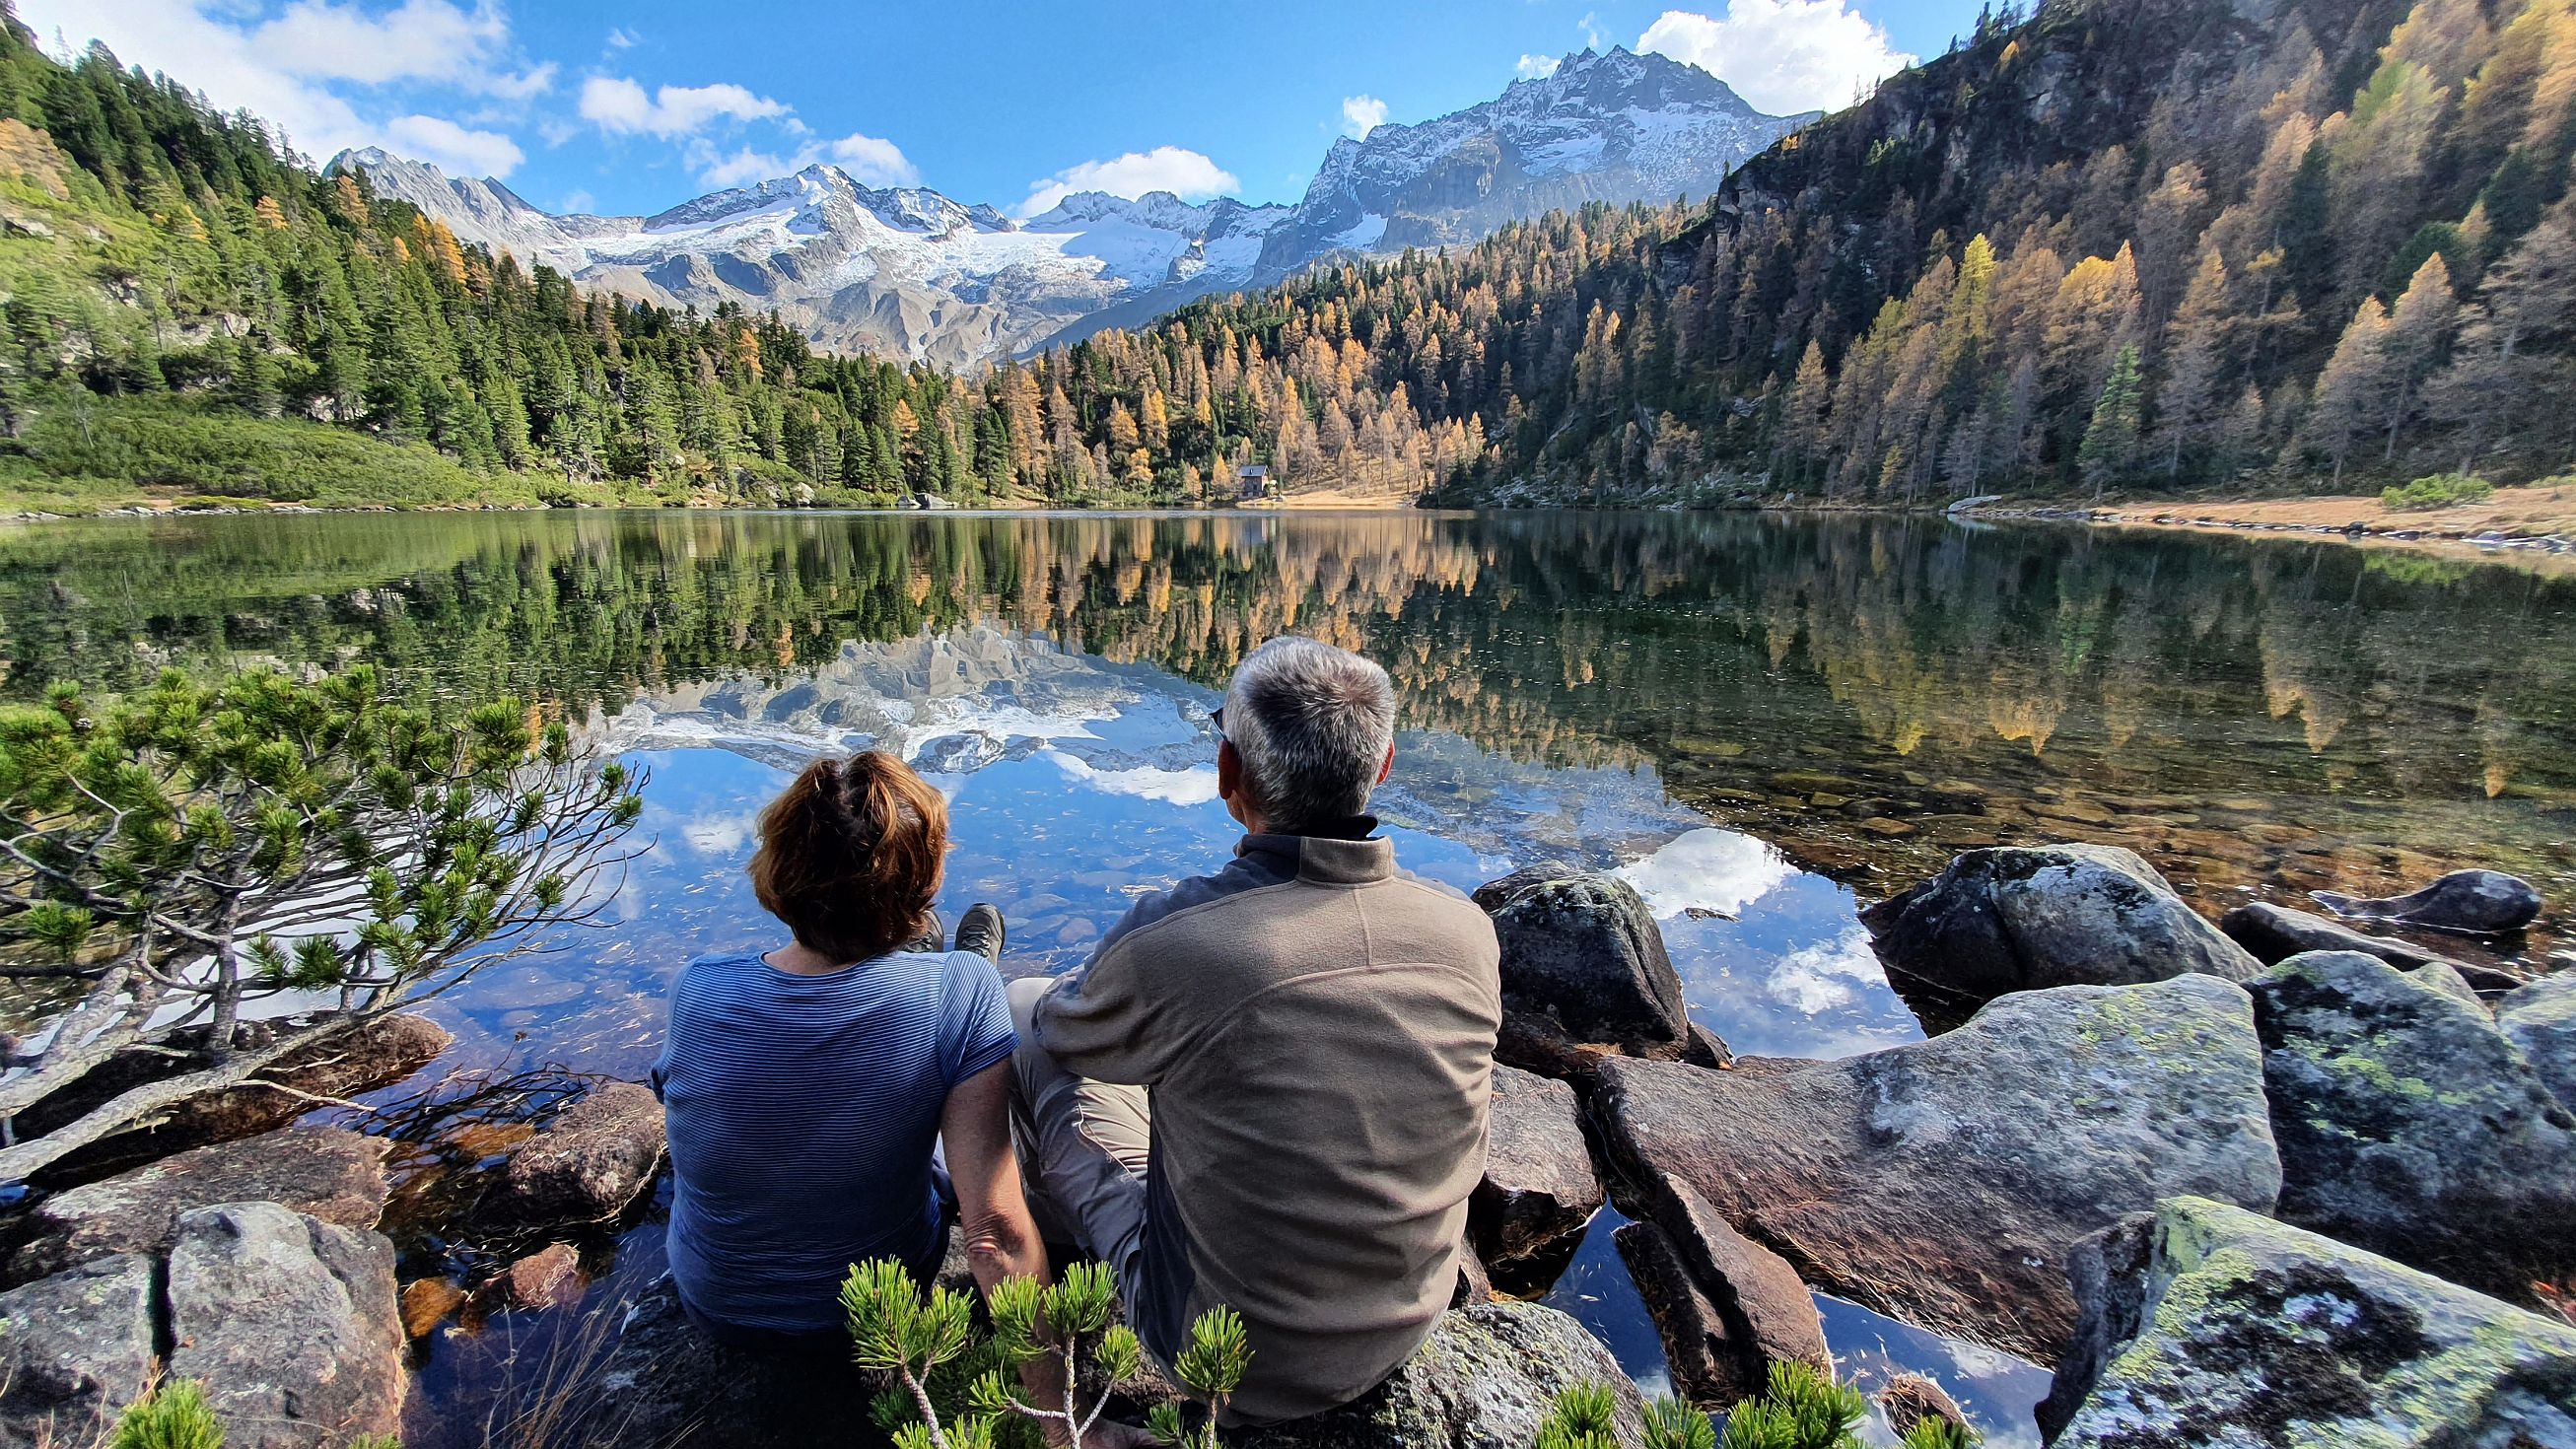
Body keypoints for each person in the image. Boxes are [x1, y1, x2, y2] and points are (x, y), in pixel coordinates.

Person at [1008, 637, 1504, 1427]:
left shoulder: (1182, 940)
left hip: (1225, 1358)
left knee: (1024, 1017)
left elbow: (1065, 1035)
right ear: (1382, 767)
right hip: (1406, 1322)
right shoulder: (1465, 931)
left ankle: (1040, 1266)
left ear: (1227, 775)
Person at [652, 750, 1040, 1349]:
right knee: (949, 1083)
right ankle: (936, 966)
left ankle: (917, 966)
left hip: (716, 1307)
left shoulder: (695, 985)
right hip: (871, 1313)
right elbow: (992, 1231)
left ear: (779, 867)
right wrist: (1059, 1422)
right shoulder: (967, 997)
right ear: (924, 886)